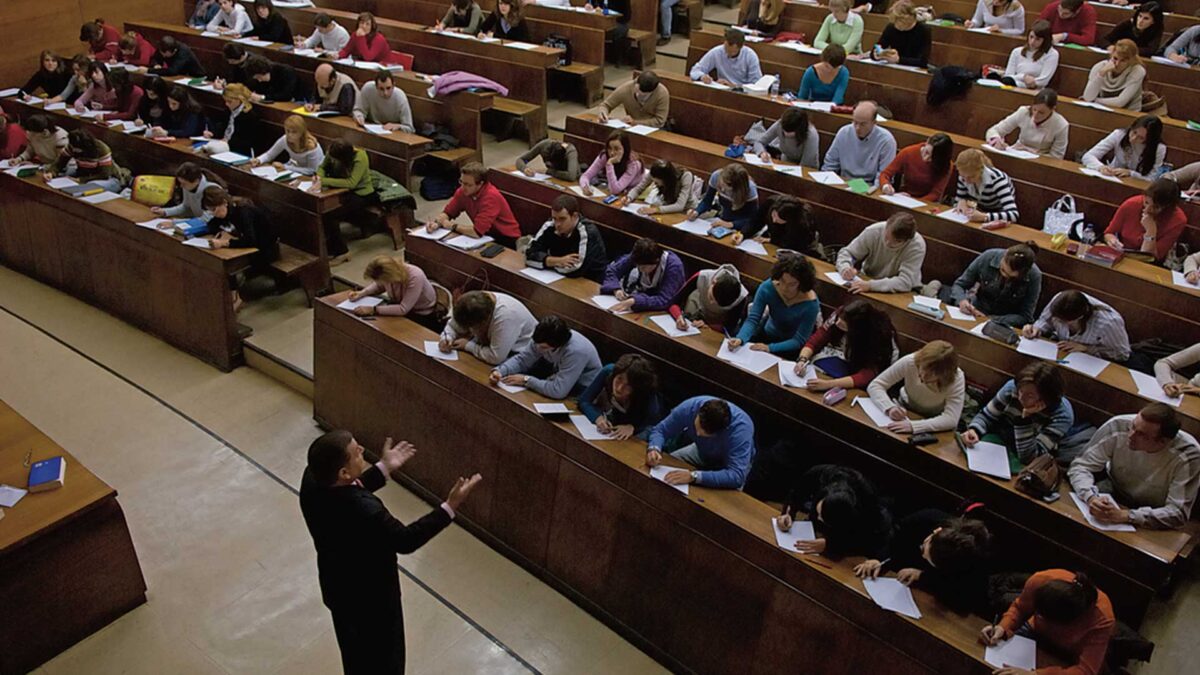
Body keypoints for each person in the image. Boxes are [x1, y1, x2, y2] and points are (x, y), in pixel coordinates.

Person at [300, 430, 482, 675]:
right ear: (343, 472)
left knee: (355, 659)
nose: (362, 449)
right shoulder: (365, 510)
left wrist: (383, 468)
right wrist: (450, 506)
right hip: (373, 602)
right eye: (356, 452)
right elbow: (405, 540)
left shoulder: (312, 482)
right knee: (386, 663)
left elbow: (350, 487)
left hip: (340, 591)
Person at [1069, 404, 1200, 530]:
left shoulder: (1188, 455)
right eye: (1132, 426)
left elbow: (1177, 512)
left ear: (1163, 441)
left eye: (1141, 434)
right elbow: (1081, 465)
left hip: (1155, 509)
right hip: (1114, 488)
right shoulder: (1118, 425)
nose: (1131, 435)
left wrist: (1127, 516)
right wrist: (1091, 497)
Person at [855, 508, 993, 615]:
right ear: (936, 531)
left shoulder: (975, 565)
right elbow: (893, 538)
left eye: (928, 560)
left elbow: (963, 598)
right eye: (923, 548)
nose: (922, 555)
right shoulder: (927, 518)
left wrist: (924, 576)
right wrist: (879, 559)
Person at [979, 570, 1114, 675]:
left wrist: (1036, 674)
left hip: (1071, 654)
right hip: (1033, 632)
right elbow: (1019, 608)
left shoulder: (1102, 618)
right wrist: (1003, 627)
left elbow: (1085, 671)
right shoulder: (1041, 580)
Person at [964, 362, 1074, 463]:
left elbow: (1029, 457)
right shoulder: (1012, 387)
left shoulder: (1062, 415)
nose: (1021, 397)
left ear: (1045, 399)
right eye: (1021, 390)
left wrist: (1025, 419)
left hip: (1024, 459)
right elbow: (986, 416)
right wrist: (974, 430)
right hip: (997, 442)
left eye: (1030, 395)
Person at [776, 464, 891, 557]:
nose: (818, 517)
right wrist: (788, 514)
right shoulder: (823, 474)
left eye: (822, 517)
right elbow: (796, 493)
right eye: (819, 513)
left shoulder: (867, 501)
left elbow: (870, 540)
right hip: (812, 530)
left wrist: (832, 545)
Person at [646, 397, 756, 490]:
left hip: (728, 463)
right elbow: (660, 430)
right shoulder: (689, 407)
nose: (698, 433)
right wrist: (654, 448)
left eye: (705, 433)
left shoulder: (741, 431)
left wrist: (694, 476)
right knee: (666, 468)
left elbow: (736, 476)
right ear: (698, 413)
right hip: (700, 451)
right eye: (697, 427)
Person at [200, 186, 280, 308]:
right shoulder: (225, 212)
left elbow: (251, 240)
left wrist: (225, 243)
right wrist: (223, 234)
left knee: (227, 263)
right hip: (250, 246)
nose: (213, 213)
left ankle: (235, 297)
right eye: (209, 211)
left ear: (224, 203)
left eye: (214, 209)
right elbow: (212, 225)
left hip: (266, 250)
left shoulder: (244, 212)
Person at [728, 255, 821, 358]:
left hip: (791, 345)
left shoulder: (811, 304)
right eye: (782, 281)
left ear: (801, 284)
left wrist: (770, 348)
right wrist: (740, 338)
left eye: (792, 284)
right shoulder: (767, 287)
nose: (785, 288)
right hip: (767, 332)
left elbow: (799, 340)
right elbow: (753, 319)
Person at [794, 300, 898, 391]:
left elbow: (868, 374)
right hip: (845, 358)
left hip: (871, 374)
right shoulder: (841, 314)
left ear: (857, 328)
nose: (838, 322)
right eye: (839, 318)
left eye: (844, 323)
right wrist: (802, 360)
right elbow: (817, 339)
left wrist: (829, 384)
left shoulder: (880, 336)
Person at [491, 315, 602, 399]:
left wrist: (526, 380)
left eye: (543, 347)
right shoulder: (542, 338)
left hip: (583, 391)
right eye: (536, 343)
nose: (538, 349)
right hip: (558, 379)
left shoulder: (576, 351)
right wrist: (500, 371)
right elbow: (522, 360)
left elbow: (558, 391)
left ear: (558, 345)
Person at [868, 340, 966, 434]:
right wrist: (889, 407)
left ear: (944, 374)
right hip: (905, 409)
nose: (923, 375)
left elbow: (951, 419)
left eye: (931, 374)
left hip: (934, 420)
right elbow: (876, 385)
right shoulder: (911, 361)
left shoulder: (957, 379)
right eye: (922, 368)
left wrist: (915, 426)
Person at [427, 162, 523, 248]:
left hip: (506, 239)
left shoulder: (491, 197)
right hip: (486, 236)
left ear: (480, 184)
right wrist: (437, 223)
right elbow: (448, 212)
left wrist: (452, 226)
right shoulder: (462, 191)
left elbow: (477, 232)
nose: (463, 187)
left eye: (468, 184)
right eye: (461, 182)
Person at [948, 243, 1042, 327]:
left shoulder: (1034, 276)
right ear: (1004, 256)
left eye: (1011, 277)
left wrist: (991, 319)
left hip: (1004, 322)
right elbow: (959, 285)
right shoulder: (988, 256)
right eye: (1002, 270)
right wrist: (962, 300)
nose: (1004, 276)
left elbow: (1025, 316)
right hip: (975, 311)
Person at [1025, 290, 1131, 361]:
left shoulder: (1109, 323)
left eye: (1063, 322)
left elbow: (1122, 353)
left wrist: (1087, 348)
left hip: (1090, 362)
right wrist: (1036, 329)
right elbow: (1045, 320)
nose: (1058, 322)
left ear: (1078, 318)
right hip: (1060, 353)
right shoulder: (1060, 299)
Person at [578, 354, 665, 440]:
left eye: (628, 385)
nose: (619, 388)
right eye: (619, 379)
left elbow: (654, 427)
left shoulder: (647, 392)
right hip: (613, 424)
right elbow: (584, 401)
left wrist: (633, 428)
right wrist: (597, 418)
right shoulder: (608, 371)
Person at [835, 213, 927, 294]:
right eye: (886, 237)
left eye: (896, 241)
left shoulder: (917, 245)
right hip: (868, 278)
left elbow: (905, 282)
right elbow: (847, 252)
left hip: (899, 290)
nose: (888, 243)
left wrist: (871, 285)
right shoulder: (874, 231)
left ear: (907, 240)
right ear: (887, 225)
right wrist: (845, 267)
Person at [314, 139, 375, 261]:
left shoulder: (360, 157)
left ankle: (341, 252)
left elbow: (351, 183)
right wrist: (318, 177)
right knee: (321, 208)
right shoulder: (332, 151)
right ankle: (328, 245)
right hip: (338, 190)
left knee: (330, 215)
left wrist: (323, 181)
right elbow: (322, 167)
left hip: (361, 193)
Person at [525, 194, 609, 281]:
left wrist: (545, 262)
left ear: (574, 216)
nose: (557, 224)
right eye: (554, 218)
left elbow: (577, 269)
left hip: (590, 281)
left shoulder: (588, 232)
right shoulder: (550, 225)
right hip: (556, 278)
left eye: (562, 219)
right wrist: (557, 261)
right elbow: (528, 255)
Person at [439, 290, 536, 364]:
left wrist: (467, 346)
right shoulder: (471, 302)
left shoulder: (505, 317)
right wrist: (447, 338)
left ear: (483, 322)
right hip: (489, 347)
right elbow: (452, 325)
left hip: (523, 356)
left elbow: (496, 357)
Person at [1104, 178, 1186, 262]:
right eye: (1146, 202)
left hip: (1150, 263)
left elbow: (1151, 257)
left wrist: (1151, 230)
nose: (1147, 209)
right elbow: (1109, 233)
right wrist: (1112, 241)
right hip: (1122, 253)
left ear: (1167, 207)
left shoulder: (1178, 220)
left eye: (1156, 207)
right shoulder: (1131, 204)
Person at [346, 256, 439, 329]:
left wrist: (373, 310)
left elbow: (403, 309)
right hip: (399, 306)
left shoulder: (415, 276)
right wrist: (362, 293)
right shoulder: (390, 276)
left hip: (421, 315)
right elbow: (379, 286)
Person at [821, 101, 897, 187]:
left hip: (868, 187)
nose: (857, 128)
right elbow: (830, 163)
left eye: (863, 124)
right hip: (842, 182)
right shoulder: (844, 132)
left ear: (874, 122)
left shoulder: (886, 141)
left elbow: (883, 176)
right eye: (855, 122)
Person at [600, 238, 686, 313]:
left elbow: (665, 300)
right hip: (639, 299)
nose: (640, 270)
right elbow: (612, 270)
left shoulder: (674, 266)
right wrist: (616, 289)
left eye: (644, 267)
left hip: (665, 311)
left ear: (656, 261)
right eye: (637, 266)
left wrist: (635, 301)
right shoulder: (639, 256)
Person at [985, 88, 1070, 159]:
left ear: (1053, 109)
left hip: (1041, 159)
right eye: (1034, 109)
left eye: (1041, 112)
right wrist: (996, 141)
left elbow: (1057, 157)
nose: (1035, 115)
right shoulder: (1024, 112)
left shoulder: (1061, 125)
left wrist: (1035, 154)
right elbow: (994, 130)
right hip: (1016, 152)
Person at [1081, 114, 1165, 181]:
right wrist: (1100, 167)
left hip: (1135, 184)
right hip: (1111, 177)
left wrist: (1131, 173)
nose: (1133, 138)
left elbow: (1152, 178)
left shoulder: (1159, 149)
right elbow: (1088, 156)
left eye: (1141, 138)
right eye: (1134, 132)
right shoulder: (1119, 134)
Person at [43, 128, 129, 193]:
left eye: (76, 149)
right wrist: (51, 172)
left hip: (108, 179)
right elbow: (59, 163)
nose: (74, 150)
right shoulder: (71, 147)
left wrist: (81, 180)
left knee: (89, 186)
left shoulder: (101, 149)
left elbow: (104, 174)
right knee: (65, 173)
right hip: (83, 173)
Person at [668, 264, 749, 332]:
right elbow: (674, 302)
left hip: (716, 325)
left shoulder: (742, 297)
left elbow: (731, 327)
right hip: (694, 313)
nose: (711, 303)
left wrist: (708, 326)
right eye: (711, 297)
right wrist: (678, 316)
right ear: (713, 282)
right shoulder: (702, 276)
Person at [879, 133, 955, 202]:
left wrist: (914, 201)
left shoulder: (947, 165)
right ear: (927, 142)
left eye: (933, 158)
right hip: (903, 196)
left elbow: (935, 193)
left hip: (927, 202)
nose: (926, 158)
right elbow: (885, 174)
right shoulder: (908, 152)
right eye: (926, 152)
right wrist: (886, 185)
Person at [687, 164, 759, 234]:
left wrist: (731, 224)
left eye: (727, 188)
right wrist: (697, 212)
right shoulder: (716, 176)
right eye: (722, 184)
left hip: (742, 226)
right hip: (722, 219)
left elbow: (753, 220)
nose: (723, 189)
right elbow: (707, 201)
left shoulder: (750, 189)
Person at [953, 149, 1020, 223]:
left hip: (997, 215)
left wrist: (985, 216)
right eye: (963, 176)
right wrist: (961, 202)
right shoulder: (964, 177)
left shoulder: (997, 180)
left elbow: (1014, 215)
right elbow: (958, 201)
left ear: (981, 171)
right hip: (977, 212)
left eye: (971, 177)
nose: (966, 181)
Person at [1082, 39, 1145, 111]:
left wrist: (1095, 100)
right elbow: (1088, 97)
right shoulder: (1100, 67)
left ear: (1130, 61)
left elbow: (1120, 102)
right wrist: (1101, 74)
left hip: (1128, 112)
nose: (1117, 64)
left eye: (1123, 61)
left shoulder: (1138, 71)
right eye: (1115, 58)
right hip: (1101, 109)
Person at [251, 114, 325, 175]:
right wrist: (259, 160)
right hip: (297, 170)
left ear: (301, 132)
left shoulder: (311, 146)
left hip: (315, 174)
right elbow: (269, 155)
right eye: (287, 131)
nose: (289, 135)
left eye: (294, 132)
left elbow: (312, 170)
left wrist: (285, 167)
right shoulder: (285, 139)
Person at [745, 195, 820, 255]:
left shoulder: (802, 222)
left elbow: (793, 244)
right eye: (773, 215)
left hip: (797, 247)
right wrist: (743, 233)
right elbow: (756, 221)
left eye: (778, 220)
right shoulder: (771, 202)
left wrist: (772, 240)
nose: (774, 220)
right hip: (773, 237)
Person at [688, 28, 763, 87]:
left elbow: (756, 84)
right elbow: (695, 70)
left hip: (742, 94)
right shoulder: (717, 51)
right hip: (721, 89)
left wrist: (735, 86)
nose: (729, 54)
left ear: (741, 47)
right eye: (726, 49)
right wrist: (702, 76)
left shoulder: (750, 56)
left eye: (732, 52)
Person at [624, 159, 699, 216]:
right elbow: (638, 189)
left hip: (688, 210)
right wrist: (629, 197)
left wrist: (656, 209)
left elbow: (680, 205)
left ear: (666, 179)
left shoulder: (685, 176)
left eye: (656, 183)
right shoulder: (654, 173)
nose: (655, 184)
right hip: (668, 208)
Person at [579, 131, 643, 197]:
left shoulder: (633, 164)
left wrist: (609, 164)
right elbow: (585, 176)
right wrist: (585, 186)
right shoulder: (605, 155)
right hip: (620, 190)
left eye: (616, 149)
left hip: (634, 192)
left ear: (625, 149)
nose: (612, 153)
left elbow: (615, 190)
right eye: (609, 148)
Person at [203, 84, 261, 156]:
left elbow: (247, 141)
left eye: (229, 101)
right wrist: (213, 133)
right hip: (224, 144)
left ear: (239, 100)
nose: (226, 104)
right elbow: (223, 127)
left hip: (238, 150)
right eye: (225, 101)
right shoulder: (228, 111)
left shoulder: (250, 116)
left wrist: (228, 142)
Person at [597, 71, 670, 129]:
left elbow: (660, 121)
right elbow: (605, 105)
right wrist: (603, 113)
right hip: (630, 126)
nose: (638, 95)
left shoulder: (662, 93)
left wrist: (636, 122)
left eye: (643, 95)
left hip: (653, 128)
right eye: (637, 92)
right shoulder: (626, 88)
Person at [153, 163, 226, 219]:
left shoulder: (211, 190)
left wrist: (175, 223)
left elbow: (207, 219)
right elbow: (185, 206)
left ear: (196, 181)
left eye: (184, 183)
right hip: (195, 221)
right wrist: (165, 211)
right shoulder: (188, 187)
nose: (181, 186)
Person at [752, 107, 820, 168]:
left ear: (799, 129)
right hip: (785, 163)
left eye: (790, 132)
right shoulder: (780, 124)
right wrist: (762, 152)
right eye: (784, 130)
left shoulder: (811, 135)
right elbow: (759, 142)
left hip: (807, 168)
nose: (786, 134)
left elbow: (805, 164)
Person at [1000, 22, 1059, 91]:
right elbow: (1008, 75)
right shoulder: (1017, 51)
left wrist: (1025, 81)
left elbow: (1043, 81)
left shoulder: (1052, 54)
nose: (1032, 41)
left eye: (1037, 39)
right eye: (1031, 37)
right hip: (1013, 85)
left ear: (1045, 40)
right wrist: (1024, 77)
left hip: (1034, 90)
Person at [871, 1, 931, 68]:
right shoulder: (891, 27)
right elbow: (878, 47)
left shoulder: (923, 30)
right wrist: (877, 55)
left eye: (900, 21)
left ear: (909, 18)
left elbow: (923, 61)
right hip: (894, 66)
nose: (897, 25)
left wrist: (899, 60)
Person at [516, 140, 581, 181]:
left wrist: (548, 171)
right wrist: (524, 168)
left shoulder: (571, 151)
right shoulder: (543, 145)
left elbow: (571, 176)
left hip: (568, 179)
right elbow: (521, 159)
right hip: (551, 177)